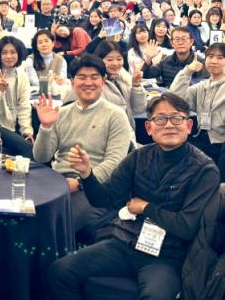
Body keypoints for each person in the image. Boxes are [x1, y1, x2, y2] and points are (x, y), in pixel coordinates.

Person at [49, 93, 220, 300]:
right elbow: (105, 199)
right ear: (148, 128)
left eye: (177, 118)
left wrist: (145, 207)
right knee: (60, 270)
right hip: (125, 242)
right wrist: (87, 175)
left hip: (166, 256)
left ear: (189, 126)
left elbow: (186, 226)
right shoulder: (139, 156)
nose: (169, 125)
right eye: (160, 119)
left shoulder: (204, 170)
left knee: (156, 296)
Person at [34, 54, 131, 243]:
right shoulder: (62, 112)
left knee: (55, 222)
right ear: (72, 82)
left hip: (95, 187)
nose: (88, 83)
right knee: (26, 211)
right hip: (59, 181)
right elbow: (41, 157)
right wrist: (45, 127)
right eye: (82, 77)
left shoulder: (116, 115)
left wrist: (80, 182)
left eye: (94, 77)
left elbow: (114, 163)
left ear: (103, 82)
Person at [170, 43, 225, 181]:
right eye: (210, 56)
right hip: (203, 137)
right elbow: (175, 98)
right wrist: (188, 71)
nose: (214, 61)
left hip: (221, 142)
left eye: (220, 57)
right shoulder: (202, 86)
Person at [0, 36, 34, 157]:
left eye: (13, 52)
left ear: (19, 54)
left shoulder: (22, 75)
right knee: (27, 148)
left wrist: (26, 131)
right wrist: (0, 91)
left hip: (15, 124)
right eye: (4, 53)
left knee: (34, 142)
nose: (9, 56)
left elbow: (24, 106)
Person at [88, 40, 145, 138]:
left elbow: (138, 109)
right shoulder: (95, 84)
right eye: (110, 60)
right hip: (109, 138)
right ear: (99, 60)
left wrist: (136, 85)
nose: (115, 63)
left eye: (119, 59)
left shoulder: (122, 79)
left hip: (127, 135)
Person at [143, 26, 208, 88]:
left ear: (191, 42)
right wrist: (148, 59)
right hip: (167, 94)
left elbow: (203, 83)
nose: (180, 43)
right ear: (172, 43)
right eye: (177, 39)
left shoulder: (200, 62)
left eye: (184, 39)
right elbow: (146, 75)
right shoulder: (166, 61)